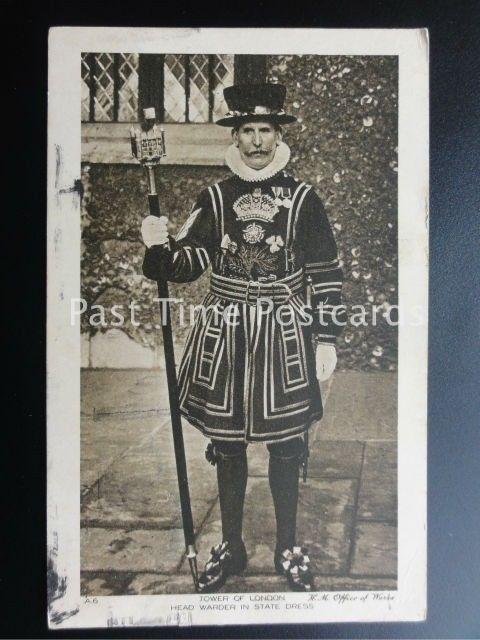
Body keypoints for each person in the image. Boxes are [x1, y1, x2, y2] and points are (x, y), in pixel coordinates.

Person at [141, 83, 346, 592]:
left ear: (279, 136)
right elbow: (187, 264)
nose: (256, 141)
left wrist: (326, 336)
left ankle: (287, 548)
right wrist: (158, 245)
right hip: (226, 333)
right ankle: (231, 546)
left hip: (284, 333)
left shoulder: (302, 198)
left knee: (285, 444)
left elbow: (324, 271)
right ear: (236, 135)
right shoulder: (214, 196)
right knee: (228, 446)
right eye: (247, 130)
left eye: (265, 131)